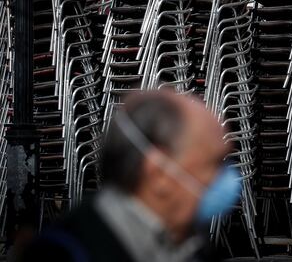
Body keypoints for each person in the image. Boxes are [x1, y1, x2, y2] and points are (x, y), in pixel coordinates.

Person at [20, 90, 241, 262]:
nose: (227, 178)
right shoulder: (67, 252)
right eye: (213, 164)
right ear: (159, 174)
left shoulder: (195, 246)